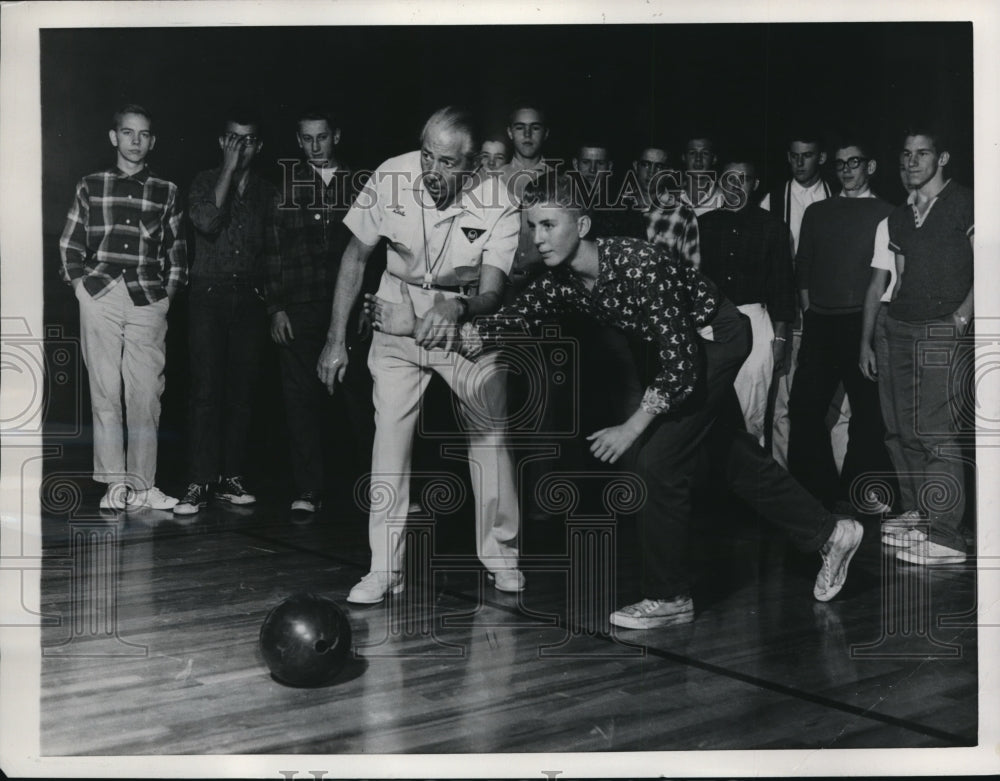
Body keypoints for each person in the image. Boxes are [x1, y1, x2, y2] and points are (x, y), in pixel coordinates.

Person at [368, 174, 863, 629]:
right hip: (677, 352)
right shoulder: (560, 282)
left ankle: (669, 596)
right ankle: (828, 533)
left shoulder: (639, 264)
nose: (538, 238)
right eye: (531, 226)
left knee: (657, 462)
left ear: (582, 225)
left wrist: (631, 427)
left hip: (715, 340)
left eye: (549, 224)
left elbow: (683, 366)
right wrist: (415, 327)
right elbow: (501, 330)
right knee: (729, 456)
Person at [317, 106, 524, 603]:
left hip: (462, 317)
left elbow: (492, 293)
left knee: (491, 439)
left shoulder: (500, 202)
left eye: (447, 163)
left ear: (473, 165)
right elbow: (355, 257)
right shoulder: (391, 175)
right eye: (427, 155)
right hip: (396, 310)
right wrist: (335, 339)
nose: (432, 170)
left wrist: (457, 307)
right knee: (389, 442)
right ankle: (384, 569)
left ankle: (502, 556)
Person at [59, 103, 187, 511]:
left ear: (152, 141)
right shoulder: (91, 185)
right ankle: (115, 484)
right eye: (128, 132)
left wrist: (166, 297)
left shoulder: (167, 190)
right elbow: (70, 244)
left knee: (146, 393)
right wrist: (80, 288)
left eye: (143, 134)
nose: (136, 140)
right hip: (100, 294)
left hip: (147, 297)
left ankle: (143, 487)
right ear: (114, 137)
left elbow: (177, 253)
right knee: (106, 391)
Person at [174, 108, 278, 515]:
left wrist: (273, 305)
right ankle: (199, 480)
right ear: (222, 142)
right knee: (205, 391)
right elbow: (206, 221)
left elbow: (273, 253)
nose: (242, 147)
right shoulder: (203, 181)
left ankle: (231, 477)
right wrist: (229, 168)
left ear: (260, 146)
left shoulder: (268, 191)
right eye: (234, 139)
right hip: (207, 295)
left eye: (249, 141)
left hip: (250, 298)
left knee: (242, 392)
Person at [268, 107, 370, 514]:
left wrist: (366, 303)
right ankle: (308, 489)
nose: (315, 146)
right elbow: (272, 251)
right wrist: (276, 308)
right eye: (307, 139)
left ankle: (377, 488)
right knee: (300, 401)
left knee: (361, 399)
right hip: (300, 307)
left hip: (348, 307)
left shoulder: (361, 185)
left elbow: (372, 252)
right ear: (298, 141)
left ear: (336, 136)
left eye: (322, 137)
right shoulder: (284, 187)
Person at [880, 125, 974, 565]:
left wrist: (961, 316)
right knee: (904, 430)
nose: (912, 161)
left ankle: (947, 537)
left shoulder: (965, 201)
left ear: (942, 158)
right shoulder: (899, 215)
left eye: (922, 153)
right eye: (906, 153)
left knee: (936, 430)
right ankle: (922, 518)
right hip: (900, 326)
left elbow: (989, 265)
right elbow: (900, 277)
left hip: (941, 327)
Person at [789, 139, 893, 512]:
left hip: (862, 325)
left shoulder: (887, 213)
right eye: (840, 164)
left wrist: (871, 332)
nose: (846, 170)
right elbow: (803, 267)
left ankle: (858, 493)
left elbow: (886, 280)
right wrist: (810, 312)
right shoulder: (817, 212)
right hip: (820, 323)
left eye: (854, 162)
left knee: (868, 415)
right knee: (803, 409)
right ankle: (815, 494)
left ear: (871, 167)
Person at [760, 130, 845, 470]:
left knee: (836, 404)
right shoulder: (772, 200)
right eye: (794, 155)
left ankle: (837, 481)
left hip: (828, 314)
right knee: (780, 403)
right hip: (786, 317)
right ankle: (781, 480)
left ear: (821, 158)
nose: (799, 162)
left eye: (807, 155)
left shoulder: (838, 196)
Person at [698, 158, 795, 444]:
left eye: (743, 179)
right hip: (710, 322)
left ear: (755, 184)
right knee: (707, 407)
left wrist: (780, 340)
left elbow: (782, 287)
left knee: (752, 409)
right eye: (729, 178)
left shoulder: (773, 227)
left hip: (755, 321)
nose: (735, 186)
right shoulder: (702, 225)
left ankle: (750, 467)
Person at [858, 162, 914, 523]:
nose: (911, 172)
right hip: (888, 320)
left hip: (923, 322)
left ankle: (941, 520)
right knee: (894, 427)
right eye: (905, 164)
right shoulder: (890, 222)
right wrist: (865, 342)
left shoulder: (951, 216)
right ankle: (914, 511)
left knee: (922, 426)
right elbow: (877, 285)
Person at [680, 134, 726, 216]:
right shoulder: (670, 197)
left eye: (705, 153)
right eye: (692, 153)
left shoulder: (724, 198)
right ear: (683, 157)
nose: (698, 158)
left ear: (714, 159)